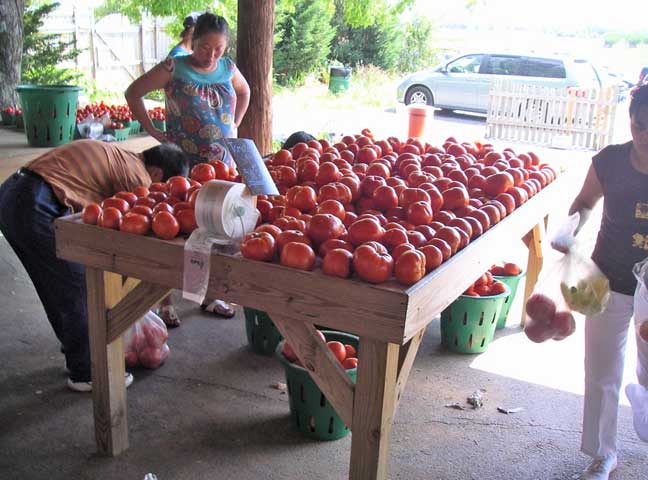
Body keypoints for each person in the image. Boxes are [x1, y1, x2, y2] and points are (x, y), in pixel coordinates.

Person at [0, 140, 190, 392]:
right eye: (168, 184)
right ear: (157, 174)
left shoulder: (120, 156)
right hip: (34, 203)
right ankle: (88, 371)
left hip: (12, 196)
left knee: (56, 285)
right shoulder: (138, 175)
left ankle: (78, 355)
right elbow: (137, 235)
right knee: (79, 287)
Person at [126, 12, 250, 322]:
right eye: (205, 47)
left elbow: (245, 92)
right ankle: (164, 302)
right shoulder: (175, 67)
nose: (212, 55)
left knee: (217, 230)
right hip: (183, 164)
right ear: (192, 42)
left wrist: (235, 123)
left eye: (218, 48)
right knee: (173, 230)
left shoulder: (228, 68)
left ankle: (209, 295)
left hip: (222, 163)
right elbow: (134, 93)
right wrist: (154, 131)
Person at [552, 84, 648, 479]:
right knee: (601, 370)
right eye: (643, 127)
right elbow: (586, 201)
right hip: (605, 277)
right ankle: (602, 455)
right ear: (631, 122)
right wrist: (569, 229)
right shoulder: (609, 161)